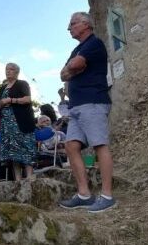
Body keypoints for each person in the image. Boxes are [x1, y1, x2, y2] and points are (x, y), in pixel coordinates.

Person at [58, 12, 115, 213]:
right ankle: (84, 194)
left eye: (73, 23)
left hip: (93, 102)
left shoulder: (94, 43)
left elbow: (73, 66)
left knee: (100, 145)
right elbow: (63, 74)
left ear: (85, 24)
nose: (69, 27)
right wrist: (71, 69)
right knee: (71, 146)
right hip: (77, 106)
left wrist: (72, 68)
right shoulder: (78, 49)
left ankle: (107, 196)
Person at [0, 63, 37, 181]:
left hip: (21, 122)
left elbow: (27, 99)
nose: (8, 71)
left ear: (17, 72)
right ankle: (17, 181)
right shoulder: (3, 87)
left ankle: (30, 178)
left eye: (11, 69)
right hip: (7, 125)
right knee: (13, 153)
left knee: (26, 148)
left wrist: (11, 100)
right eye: (6, 69)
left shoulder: (22, 84)